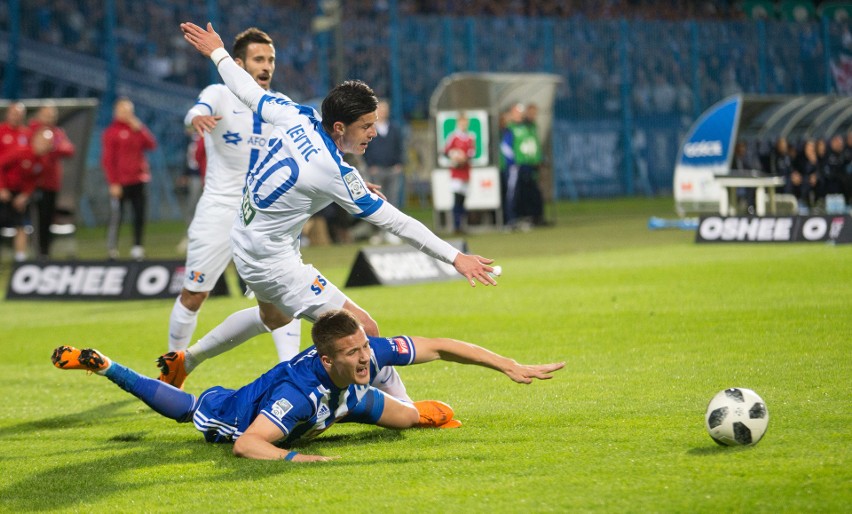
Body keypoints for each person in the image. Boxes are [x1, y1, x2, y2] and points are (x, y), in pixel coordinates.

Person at [160, 22, 497, 397]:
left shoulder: (296, 114)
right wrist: (455, 258)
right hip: (274, 260)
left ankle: (185, 360)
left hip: (247, 238)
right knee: (365, 329)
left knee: (273, 317)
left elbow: (244, 89)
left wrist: (217, 52)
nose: (372, 132)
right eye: (366, 126)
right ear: (339, 126)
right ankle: (404, 408)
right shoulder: (331, 170)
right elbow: (397, 222)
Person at [51, 309, 565, 461]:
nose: (367, 358)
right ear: (325, 356)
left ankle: (405, 412)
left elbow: (439, 344)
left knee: (414, 419)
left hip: (337, 402)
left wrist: (508, 364)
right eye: (355, 353)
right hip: (239, 412)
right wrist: (299, 460)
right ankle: (106, 365)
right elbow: (249, 445)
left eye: (366, 348)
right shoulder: (294, 395)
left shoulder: (359, 357)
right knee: (190, 410)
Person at [168, 27, 303, 365]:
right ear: (239, 63)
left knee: (285, 295)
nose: (267, 65)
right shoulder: (219, 92)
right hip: (220, 208)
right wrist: (196, 118)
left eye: (271, 59)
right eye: (259, 59)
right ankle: (172, 365)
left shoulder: (282, 105)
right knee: (194, 294)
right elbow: (194, 113)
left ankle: (292, 372)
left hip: (264, 215)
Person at [102, 97, 157, 261]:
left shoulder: (136, 129)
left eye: (128, 111)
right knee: (116, 216)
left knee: (139, 214)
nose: (126, 114)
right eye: (122, 111)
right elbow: (108, 160)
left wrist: (140, 128)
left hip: (139, 179)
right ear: (116, 112)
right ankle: (112, 249)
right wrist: (113, 182)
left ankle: (137, 248)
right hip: (121, 182)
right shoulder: (111, 132)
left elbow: (151, 145)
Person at [28, 103, 75, 260]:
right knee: (31, 219)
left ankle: (44, 253)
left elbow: (69, 149)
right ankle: (33, 252)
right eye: (47, 114)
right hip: (31, 183)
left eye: (52, 114)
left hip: (51, 183)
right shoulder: (31, 131)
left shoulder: (57, 133)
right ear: (39, 114)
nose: (50, 117)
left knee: (47, 219)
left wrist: (52, 147)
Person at [0, 127, 53, 262]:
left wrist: (24, 196)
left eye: (48, 143)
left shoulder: (43, 162)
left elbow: (34, 181)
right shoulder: (20, 152)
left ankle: (20, 260)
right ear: (35, 140)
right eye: (43, 142)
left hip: (19, 195)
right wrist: (2, 188)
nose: (45, 145)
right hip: (5, 189)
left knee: (22, 225)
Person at [443, 111, 476, 233]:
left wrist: (464, 158)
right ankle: (456, 226)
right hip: (456, 172)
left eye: (465, 123)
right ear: (458, 123)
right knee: (457, 198)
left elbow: (471, 153)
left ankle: (462, 225)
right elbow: (446, 151)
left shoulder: (470, 137)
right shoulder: (453, 137)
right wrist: (454, 156)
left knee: (463, 199)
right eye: (461, 123)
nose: (464, 125)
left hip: (465, 172)